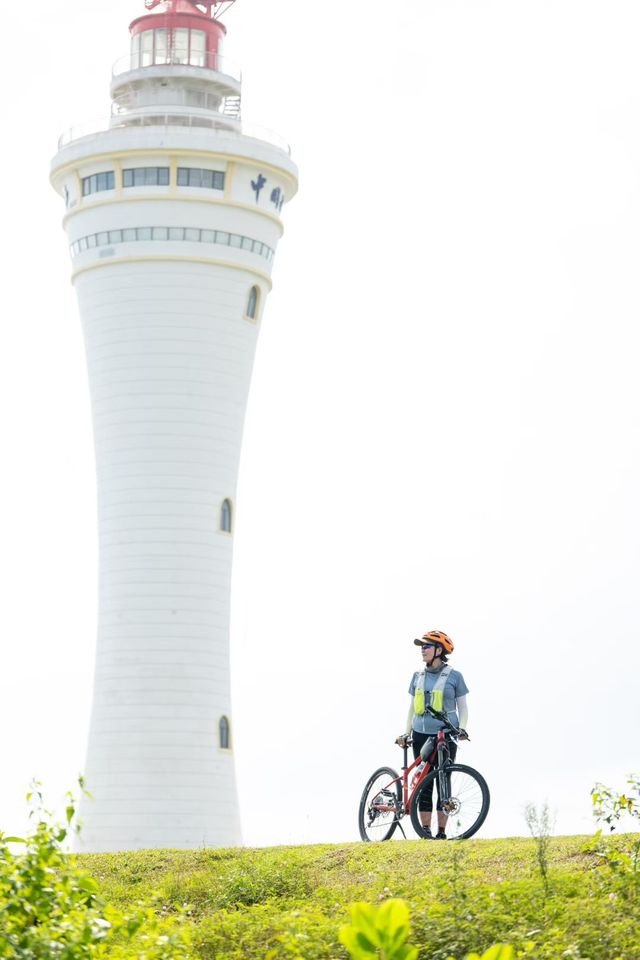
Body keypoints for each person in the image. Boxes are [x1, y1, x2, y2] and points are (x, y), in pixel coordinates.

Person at [396, 629, 469, 839]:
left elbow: (463, 708)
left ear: (439, 650)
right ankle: (425, 830)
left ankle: (442, 832)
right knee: (423, 781)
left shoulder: (455, 676)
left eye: (426, 646)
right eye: (421, 646)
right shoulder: (417, 676)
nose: (422, 650)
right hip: (420, 735)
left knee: (443, 780)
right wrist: (406, 732)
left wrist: (462, 728)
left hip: (446, 736)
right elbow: (411, 708)